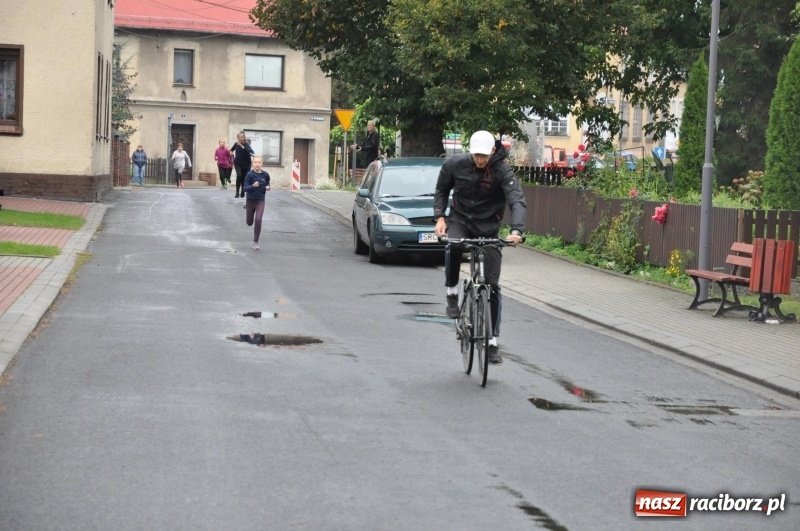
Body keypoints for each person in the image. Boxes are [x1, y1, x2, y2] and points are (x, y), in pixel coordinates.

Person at [433, 130, 527, 364]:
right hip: (460, 221)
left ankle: (492, 342)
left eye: (484, 156)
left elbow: (517, 200)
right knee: (453, 246)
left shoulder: (502, 171)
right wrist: (440, 217)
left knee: (493, 286)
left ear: (492, 151)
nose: (480, 160)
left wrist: (516, 231)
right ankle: (452, 294)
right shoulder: (455, 165)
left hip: (488, 226)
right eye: (476, 155)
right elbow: (442, 190)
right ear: (471, 151)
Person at [243, 156, 270, 250]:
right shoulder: (249, 175)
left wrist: (268, 187)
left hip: (260, 200)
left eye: (259, 162)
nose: (257, 164)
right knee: (249, 222)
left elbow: (268, 184)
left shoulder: (265, 175)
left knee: (258, 219)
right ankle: (247, 206)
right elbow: (245, 188)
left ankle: (255, 242)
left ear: (262, 164)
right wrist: (253, 186)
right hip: (250, 199)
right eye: (255, 162)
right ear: (252, 164)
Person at [230, 132, 255, 198]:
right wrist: (231, 152)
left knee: (244, 178)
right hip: (237, 163)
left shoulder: (246, 145)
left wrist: (242, 146)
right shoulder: (236, 144)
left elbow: (249, 152)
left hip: (246, 164)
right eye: (239, 137)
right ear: (237, 138)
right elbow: (231, 149)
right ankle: (237, 192)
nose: (240, 138)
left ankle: (243, 191)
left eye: (242, 137)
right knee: (239, 175)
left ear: (244, 138)